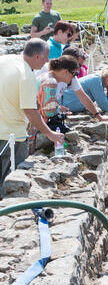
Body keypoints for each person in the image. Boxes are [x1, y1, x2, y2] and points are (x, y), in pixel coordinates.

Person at [0, 39, 64, 187]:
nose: (47, 62)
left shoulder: (4, 59)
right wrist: (50, 134)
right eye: (45, 58)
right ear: (36, 56)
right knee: (10, 186)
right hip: (12, 137)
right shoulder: (26, 74)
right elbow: (30, 111)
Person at [37, 55, 80, 133]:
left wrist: (57, 108)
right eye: (74, 73)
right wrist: (59, 111)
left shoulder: (46, 76)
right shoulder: (51, 82)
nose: (74, 77)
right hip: (35, 126)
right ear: (66, 72)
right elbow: (48, 112)